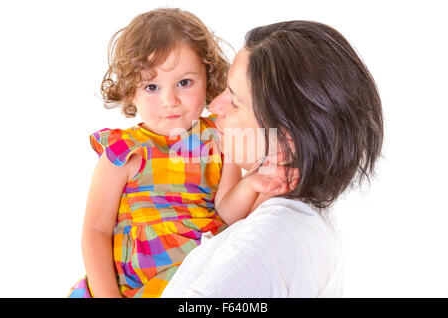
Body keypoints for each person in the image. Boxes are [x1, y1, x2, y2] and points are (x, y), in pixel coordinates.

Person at [161, 20, 384, 297]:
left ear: (285, 143)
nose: (214, 105)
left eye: (234, 99)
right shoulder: (296, 226)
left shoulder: (264, 246)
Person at [68, 8, 276, 298]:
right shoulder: (124, 152)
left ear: (208, 78)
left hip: (194, 279)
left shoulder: (219, 139)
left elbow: (227, 212)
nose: (170, 100)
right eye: (152, 87)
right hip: (131, 285)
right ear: (131, 92)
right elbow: (96, 231)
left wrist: (250, 183)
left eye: (184, 83)